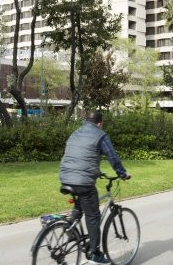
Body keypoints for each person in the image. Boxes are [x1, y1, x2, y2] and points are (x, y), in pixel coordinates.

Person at [59, 112, 130, 265]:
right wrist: (122, 174)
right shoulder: (100, 135)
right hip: (83, 181)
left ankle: (70, 228)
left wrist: (97, 172)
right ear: (99, 123)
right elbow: (112, 157)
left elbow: (80, 156)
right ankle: (95, 254)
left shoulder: (76, 133)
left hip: (65, 177)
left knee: (81, 202)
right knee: (93, 216)